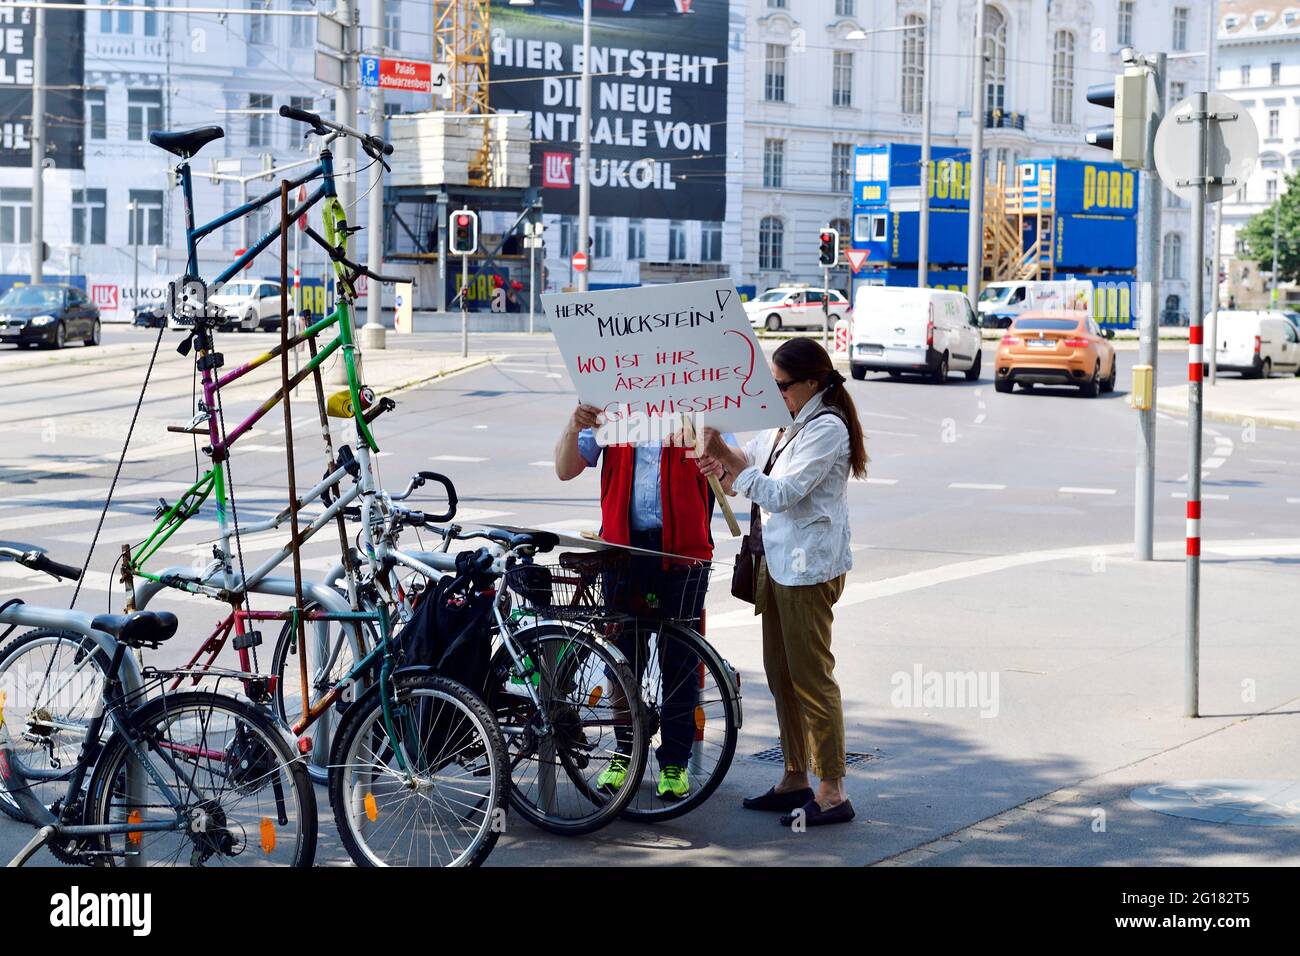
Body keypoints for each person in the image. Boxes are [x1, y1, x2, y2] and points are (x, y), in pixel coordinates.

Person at [696, 337, 868, 827]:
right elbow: (742, 466)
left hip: (809, 568)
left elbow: (782, 493)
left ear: (812, 382)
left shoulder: (827, 428)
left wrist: (735, 466)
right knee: (780, 674)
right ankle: (795, 775)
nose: (775, 394)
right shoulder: (787, 424)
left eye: (781, 385)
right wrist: (718, 453)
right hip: (778, 562)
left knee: (811, 679)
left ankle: (832, 790)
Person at [554, 406, 725, 800]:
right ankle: (626, 752)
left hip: (683, 554)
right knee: (622, 659)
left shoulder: (697, 398)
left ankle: (675, 763)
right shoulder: (613, 405)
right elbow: (565, 469)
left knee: (679, 661)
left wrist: (715, 456)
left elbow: (730, 481)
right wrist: (574, 423)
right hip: (622, 551)